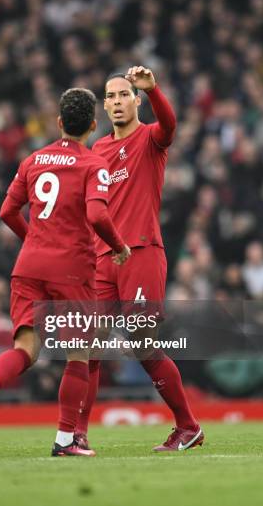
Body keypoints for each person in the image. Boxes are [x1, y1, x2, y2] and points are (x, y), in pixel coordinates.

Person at [0, 87, 130, 456]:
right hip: (71, 267)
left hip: (29, 265)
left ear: (58, 123)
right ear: (92, 125)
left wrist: (34, 238)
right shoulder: (93, 164)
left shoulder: (33, 160)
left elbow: (7, 211)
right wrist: (119, 247)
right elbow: (98, 215)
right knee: (78, 354)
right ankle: (65, 439)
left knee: (25, 348)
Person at [75, 66, 203, 452]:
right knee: (88, 343)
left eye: (123, 95)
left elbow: (170, 125)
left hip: (142, 252)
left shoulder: (150, 138)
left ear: (135, 101)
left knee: (143, 343)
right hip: (102, 259)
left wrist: (155, 90)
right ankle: (75, 434)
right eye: (109, 96)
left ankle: (188, 425)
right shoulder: (96, 150)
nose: (115, 101)